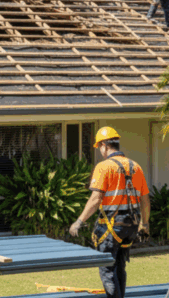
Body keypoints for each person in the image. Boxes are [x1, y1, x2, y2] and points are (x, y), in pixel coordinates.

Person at [69, 127, 151, 298]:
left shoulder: (104, 167)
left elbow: (95, 199)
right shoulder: (135, 166)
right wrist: (145, 224)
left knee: (107, 269)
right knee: (119, 267)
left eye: (99, 147)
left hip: (111, 227)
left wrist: (79, 221)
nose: (100, 151)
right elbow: (145, 200)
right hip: (131, 226)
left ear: (104, 145)